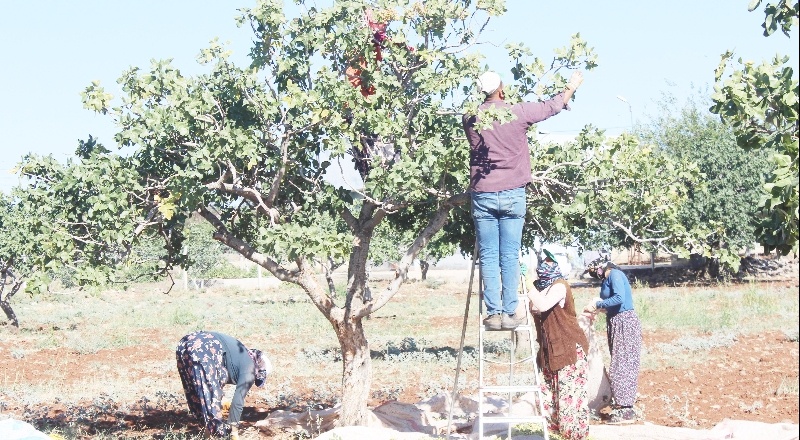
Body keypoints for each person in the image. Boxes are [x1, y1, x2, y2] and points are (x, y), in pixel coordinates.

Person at [463, 70, 584, 330]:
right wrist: (571, 87)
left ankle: (493, 314)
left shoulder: (470, 118)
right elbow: (551, 106)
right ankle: (509, 312)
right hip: (512, 193)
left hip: (483, 193)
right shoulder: (517, 112)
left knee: (488, 254)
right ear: (502, 90)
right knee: (508, 254)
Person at [527, 249, 590, 440]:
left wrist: (527, 284)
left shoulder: (560, 286)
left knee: (569, 397)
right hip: (550, 350)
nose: (544, 264)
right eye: (543, 261)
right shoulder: (542, 286)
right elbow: (533, 306)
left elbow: (544, 305)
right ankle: (556, 434)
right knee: (550, 396)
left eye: (550, 261)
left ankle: (574, 436)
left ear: (559, 266)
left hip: (569, 348)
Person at [176, 331, 272, 438]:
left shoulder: (241, 355)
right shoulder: (250, 369)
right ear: (259, 370)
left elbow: (216, 379)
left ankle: (207, 432)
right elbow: (238, 400)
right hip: (204, 346)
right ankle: (213, 433)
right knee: (210, 398)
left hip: (184, 344)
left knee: (195, 390)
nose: (254, 380)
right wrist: (234, 432)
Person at [583, 260, 642, 424]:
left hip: (624, 321)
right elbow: (612, 303)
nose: (594, 273)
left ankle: (626, 409)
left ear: (602, 266)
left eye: (594, 269)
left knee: (623, 363)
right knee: (619, 362)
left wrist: (598, 304)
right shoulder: (608, 279)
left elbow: (619, 298)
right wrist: (599, 309)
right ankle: (622, 404)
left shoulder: (615, 275)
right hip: (616, 321)